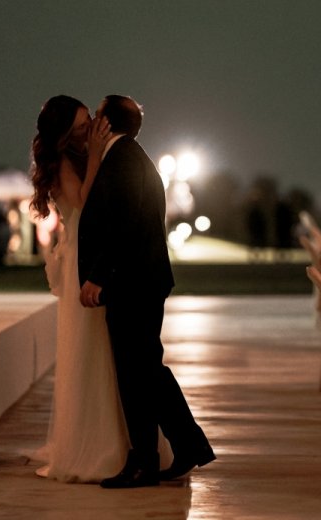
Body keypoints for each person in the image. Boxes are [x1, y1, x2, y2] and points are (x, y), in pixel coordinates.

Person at [78, 95, 215, 489]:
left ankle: (147, 461)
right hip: (141, 281)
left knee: (137, 375)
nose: (90, 123)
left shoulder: (123, 162)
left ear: (106, 124)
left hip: (131, 283)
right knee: (145, 372)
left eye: (95, 115)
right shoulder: (130, 157)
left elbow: (123, 227)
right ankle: (179, 449)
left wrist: (99, 276)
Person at [29, 94, 139, 482]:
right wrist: (94, 156)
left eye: (88, 120)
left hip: (93, 252)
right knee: (88, 348)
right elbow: (82, 202)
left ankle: (126, 437)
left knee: (109, 350)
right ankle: (94, 444)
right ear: (62, 135)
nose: (88, 129)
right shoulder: (61, 163)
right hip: (82, 258)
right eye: (79, 126)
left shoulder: (80, 154)